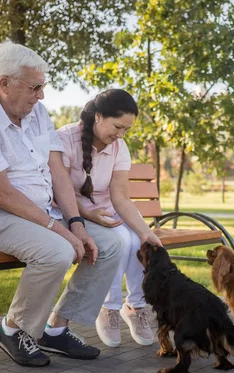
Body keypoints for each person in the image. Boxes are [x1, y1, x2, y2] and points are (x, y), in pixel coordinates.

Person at [0, 41, 123, 367]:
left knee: (109, 244)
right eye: (35, 87)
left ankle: (55, 330)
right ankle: (13, 329)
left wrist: (76, 223)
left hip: (36, 212)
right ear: (4, 84)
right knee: (56, 251)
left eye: (43, 86)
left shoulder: (36, 112)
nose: (41, 96)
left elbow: (57, 170)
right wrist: (60, 231)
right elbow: (0, 193)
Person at [57, 89, 163, 348]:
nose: (121, 135)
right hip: (76, 213)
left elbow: (120, 198)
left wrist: (146, 232)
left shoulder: (119, 147)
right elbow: (58, 192)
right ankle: (110, 306)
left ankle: (135, 306)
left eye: (126, 130)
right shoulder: (65, 139)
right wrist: (88, 214)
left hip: (108, 210)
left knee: (140, 241)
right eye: (118, 127)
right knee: (120, 241)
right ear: (99, 116)